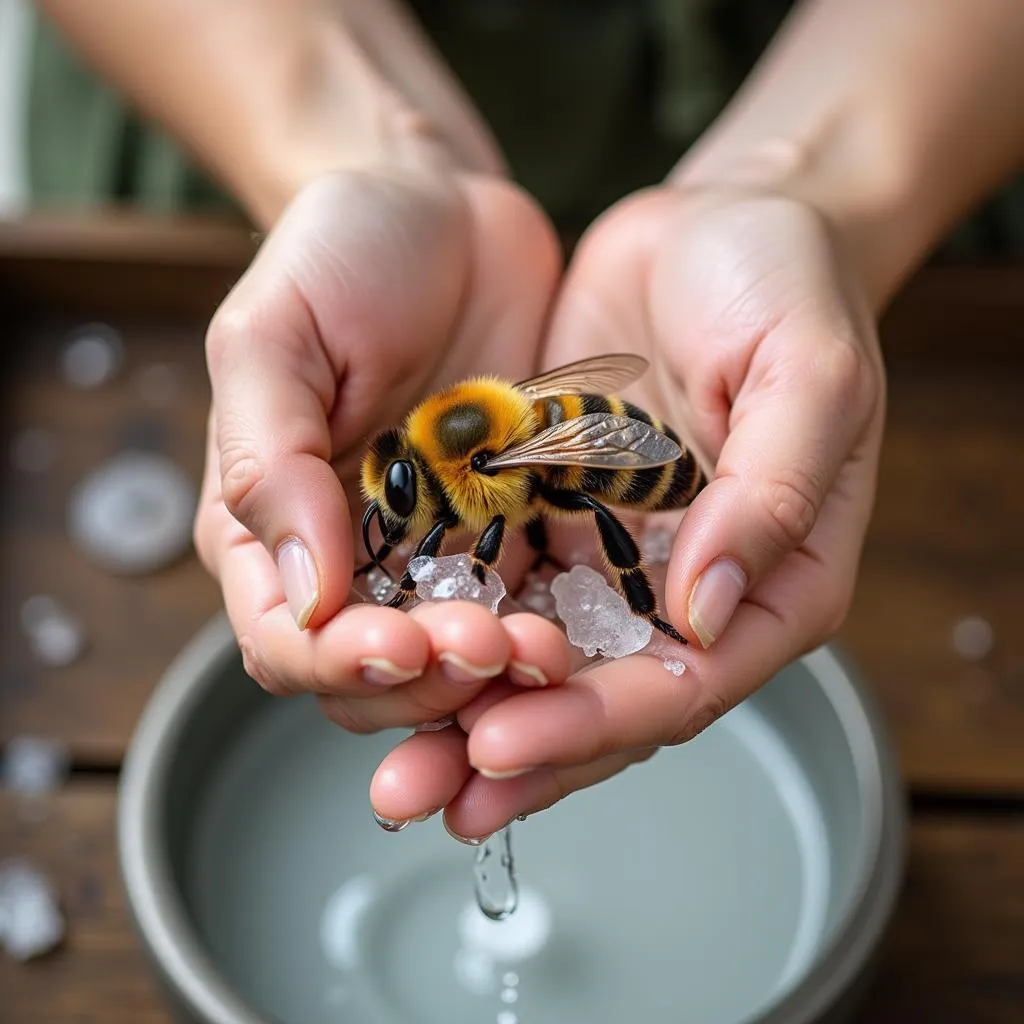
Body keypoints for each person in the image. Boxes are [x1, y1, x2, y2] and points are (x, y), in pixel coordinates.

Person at [30, 0, 1024, 843]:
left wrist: (816, 190)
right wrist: (364, 147)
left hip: (937, 95)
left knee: (587, 494)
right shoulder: (450, 436)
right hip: (234, 72)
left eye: (409, 497)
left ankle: (641, 574)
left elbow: (535, 488)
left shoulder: (495, 467)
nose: (405, 514)